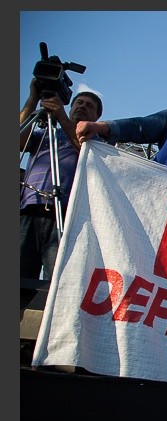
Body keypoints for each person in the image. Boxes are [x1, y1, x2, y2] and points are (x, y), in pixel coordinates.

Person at [19, 80, 103, 310]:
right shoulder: (45, 134)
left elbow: (87, 152)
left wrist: (63, 116)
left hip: (65, 214)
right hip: (28, 210)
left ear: (95, 117)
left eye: (89, 105)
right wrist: (32, 98)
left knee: (58, 281)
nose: (82, 106)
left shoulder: (96, 141)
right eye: (79, 102)